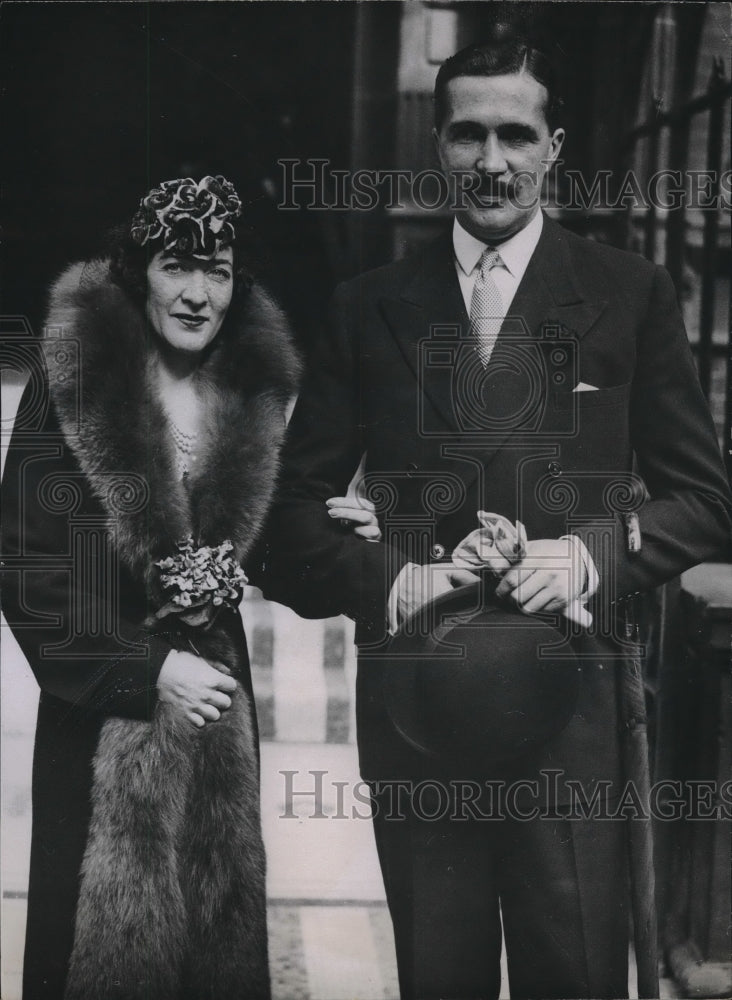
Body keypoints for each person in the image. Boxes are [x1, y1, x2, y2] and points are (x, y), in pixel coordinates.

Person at [260, 35, 732, 1000]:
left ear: (554, 147)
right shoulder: (369, 306)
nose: (492, 162)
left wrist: (590, 555)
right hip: (421, 702)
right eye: (468, 134)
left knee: (578, 974)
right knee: (442, 976)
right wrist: (397, 576)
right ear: (437, 146)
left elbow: (707, 499)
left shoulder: (630, 294)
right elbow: (288, 522)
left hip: (574, 704)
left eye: (516, 135)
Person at [0, 174, 373, 1000]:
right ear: (138, 272)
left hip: (217, 722)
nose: (200, 294)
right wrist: (148, 669)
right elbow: (23, 563)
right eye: (178, 266)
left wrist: (329, 529)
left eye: (220, 271)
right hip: (101, 708)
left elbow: (264, 549)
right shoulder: (74, 382)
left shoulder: (251, 391)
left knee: (216, 937)